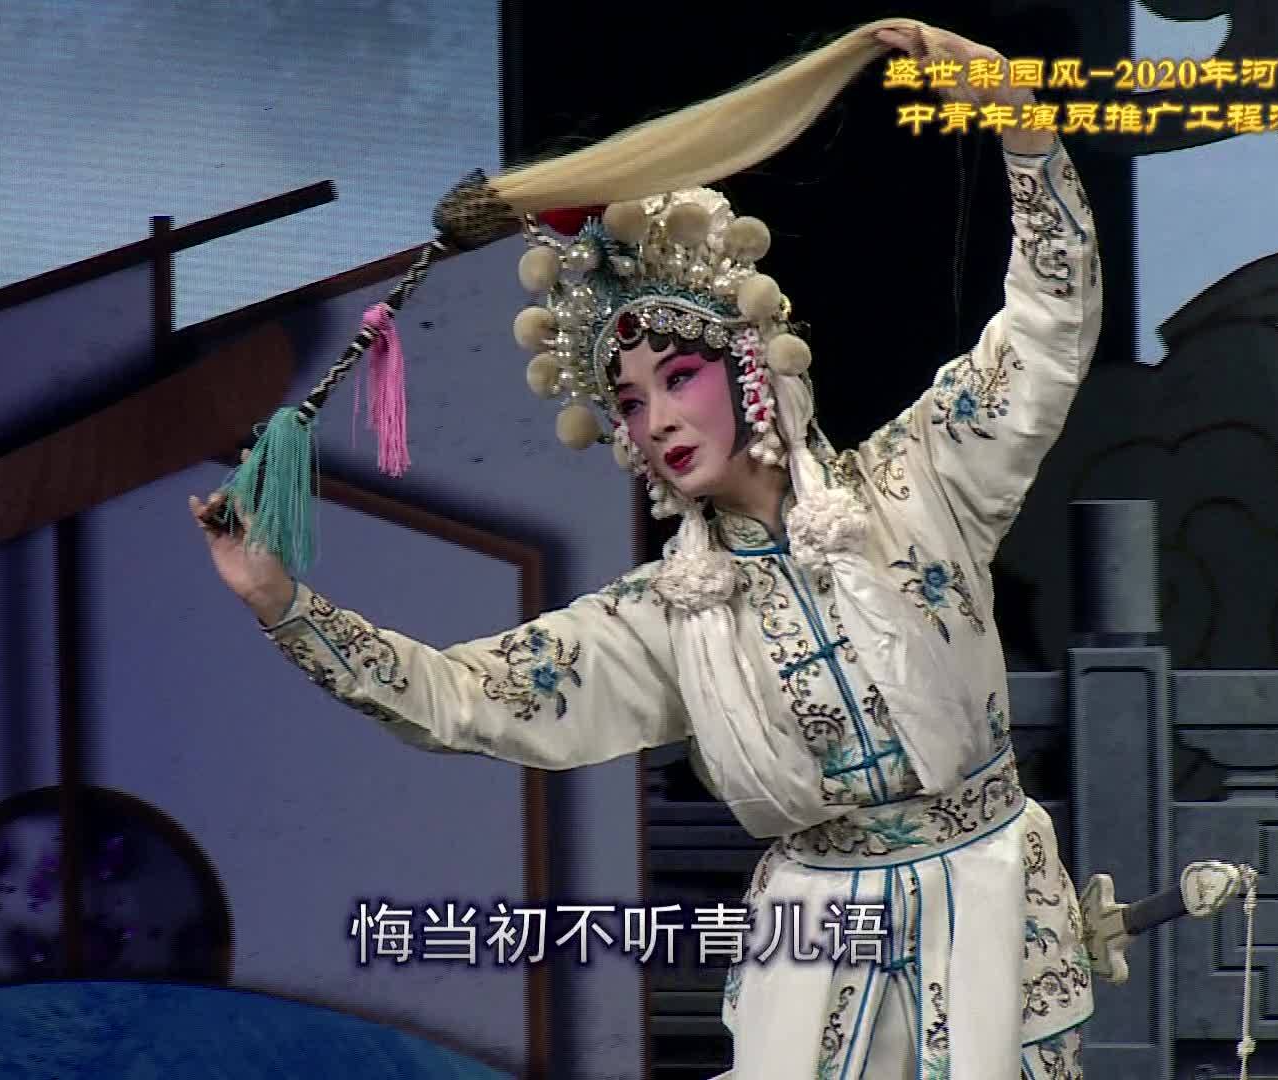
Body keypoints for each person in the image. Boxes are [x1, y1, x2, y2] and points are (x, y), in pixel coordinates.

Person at [193, 18, 1099, 1079]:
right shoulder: (668, 616)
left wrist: (1026, 140)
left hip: (990, 911)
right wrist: (283, 603)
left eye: (678, 377)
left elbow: (1048, 327)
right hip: (821, 952)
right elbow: (461, 697)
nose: (657, 418)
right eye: (628, 401)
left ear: (748, 366)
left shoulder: (921, 484)